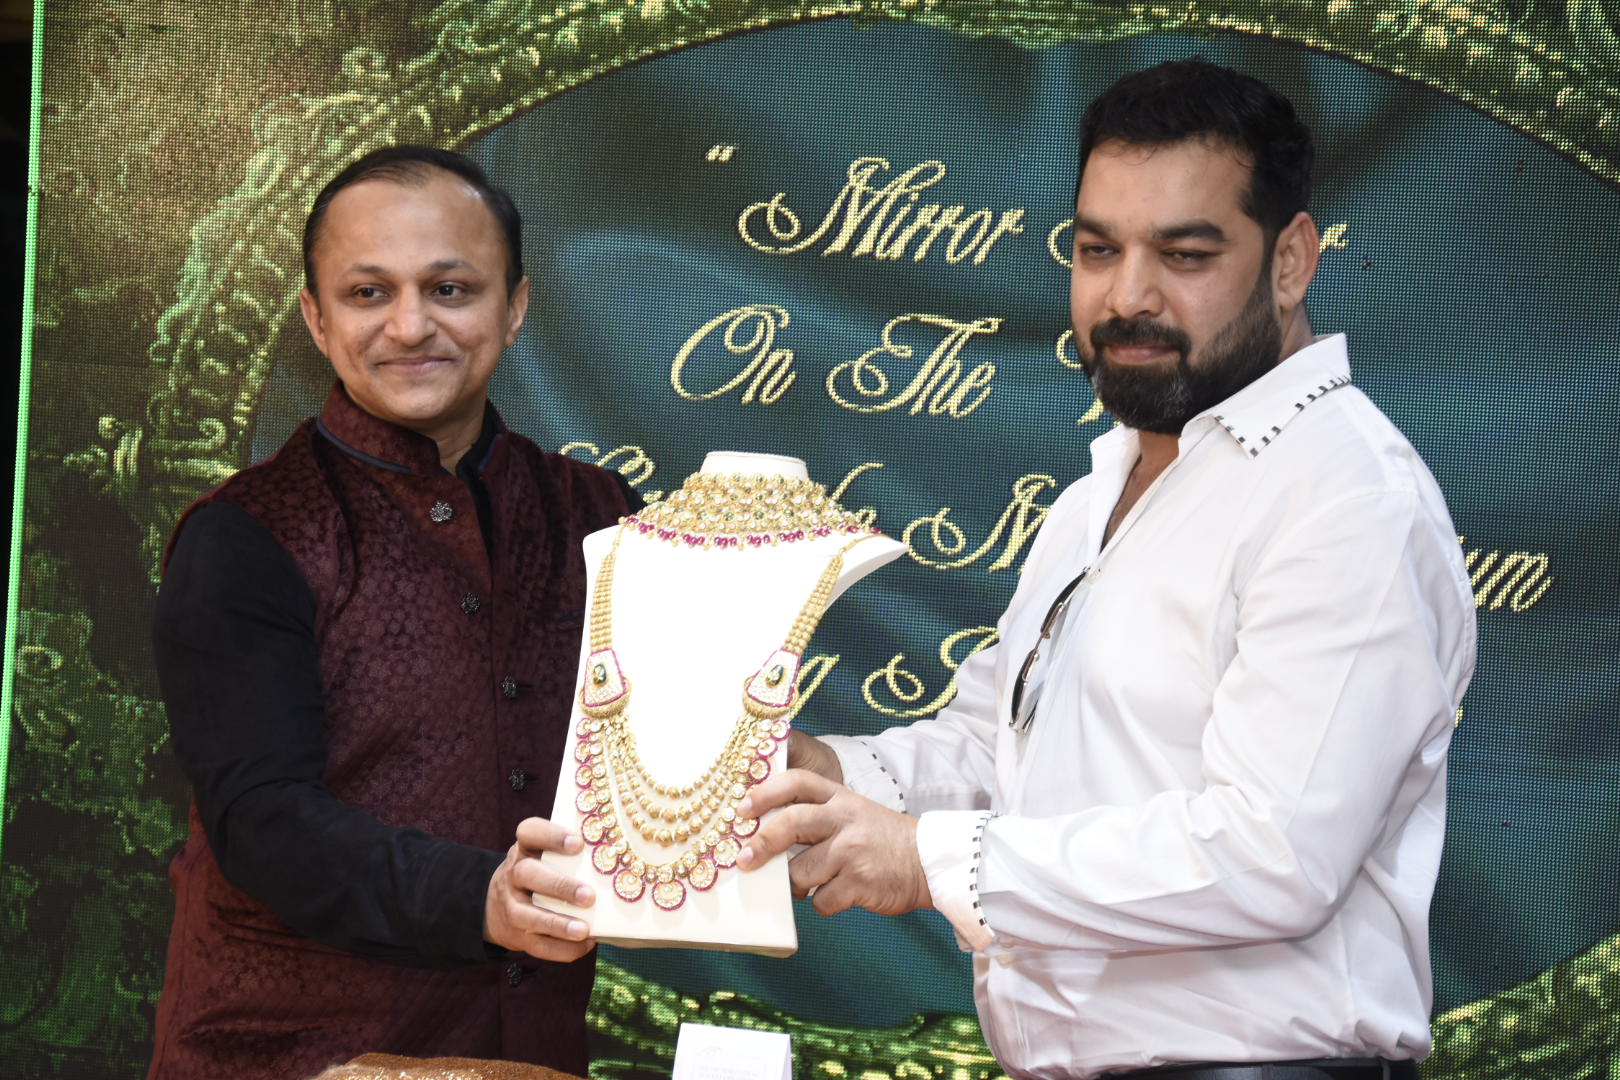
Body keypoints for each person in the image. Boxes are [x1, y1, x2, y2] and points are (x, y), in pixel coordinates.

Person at [738, 60, 1477, 1080]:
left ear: (1291, 260)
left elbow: (1271, 856)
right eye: (1097, 250)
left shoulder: (1348, 498)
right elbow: (997, 751)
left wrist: (924, 858)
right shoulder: (1096, 496)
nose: (1128, 296)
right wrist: (829, 780)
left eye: (1185, 254)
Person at [148, 147, 630, 1079]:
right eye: (369, 293)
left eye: (450, 288)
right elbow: (263, 819)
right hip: (288, 1055)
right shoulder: (248, 534)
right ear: (316, 318)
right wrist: (479, 899)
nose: (411, 325)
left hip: (533, 1050)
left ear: (514, 307)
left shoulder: (599, 517)